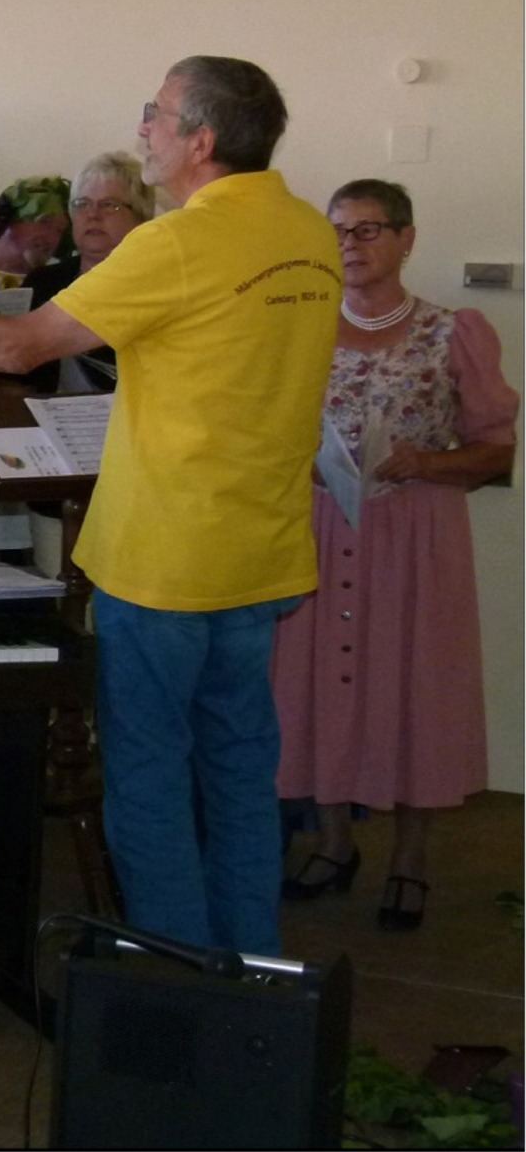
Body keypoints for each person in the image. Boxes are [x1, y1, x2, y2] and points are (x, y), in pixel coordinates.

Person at [0, 55, 339, 956]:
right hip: (262, 549)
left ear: (200, 140)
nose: (143, 128)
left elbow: (20, 346)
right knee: (238, 772)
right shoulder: (307, 231)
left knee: (145, 779)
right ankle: (250, 971)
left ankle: (175, 978)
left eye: (156, 113)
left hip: (165, 556)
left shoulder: (177, 243)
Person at [272, 180, 519, 932]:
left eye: (368, 230)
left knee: (417, 687)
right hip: (320, 527)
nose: (350, 245)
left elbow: (495, 449)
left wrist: (425, 462)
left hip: (416, 536)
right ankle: (333, 841)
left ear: (406, 240)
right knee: (315, 682)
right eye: (338, 231)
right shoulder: (301, 329)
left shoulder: (452, 331)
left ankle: (410, 859)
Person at [28, 152, 156, 393]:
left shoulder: (156, 286)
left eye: (109, 205)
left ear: (141, 217)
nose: (93, 215)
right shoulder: (43, 281)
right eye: (82, 204)